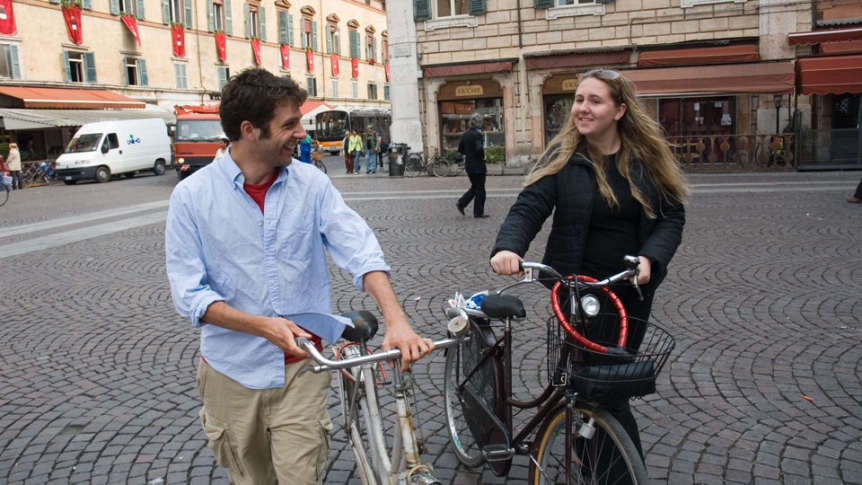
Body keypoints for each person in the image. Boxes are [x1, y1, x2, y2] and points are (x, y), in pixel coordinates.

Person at [165, 67, 433, 485]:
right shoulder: (191, 197)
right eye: (290, 123)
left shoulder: (312, 185)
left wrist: (397, 320)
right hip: (230, 374)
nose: (302, 133)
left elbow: (360, 250)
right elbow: (190, 295)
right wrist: (260, 326)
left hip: (303, 370)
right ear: (250, 130)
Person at [489, 69, 688, 469]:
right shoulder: (564, 157)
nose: (582, 108)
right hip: (576, 289)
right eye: (579, 100)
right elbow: (530, 205)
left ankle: (593, 450)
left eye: (594, 101)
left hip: (628, 290)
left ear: (619, 110)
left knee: (604, 381)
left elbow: (671, 217)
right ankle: (610, 465)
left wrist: (651, 257)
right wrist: (509, 246)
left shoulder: (645, 161)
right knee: (601, 384)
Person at [456, 113, 488, 218]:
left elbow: (460, 150)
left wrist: (469, 153)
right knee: (480, 190)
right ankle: (478, 212)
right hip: (478, 166)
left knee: (475, 187)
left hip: (469, 165)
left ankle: (462, 203)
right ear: (479, 123)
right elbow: (479, 148)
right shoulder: (477, 135)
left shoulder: (465, 134)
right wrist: (482, 156)